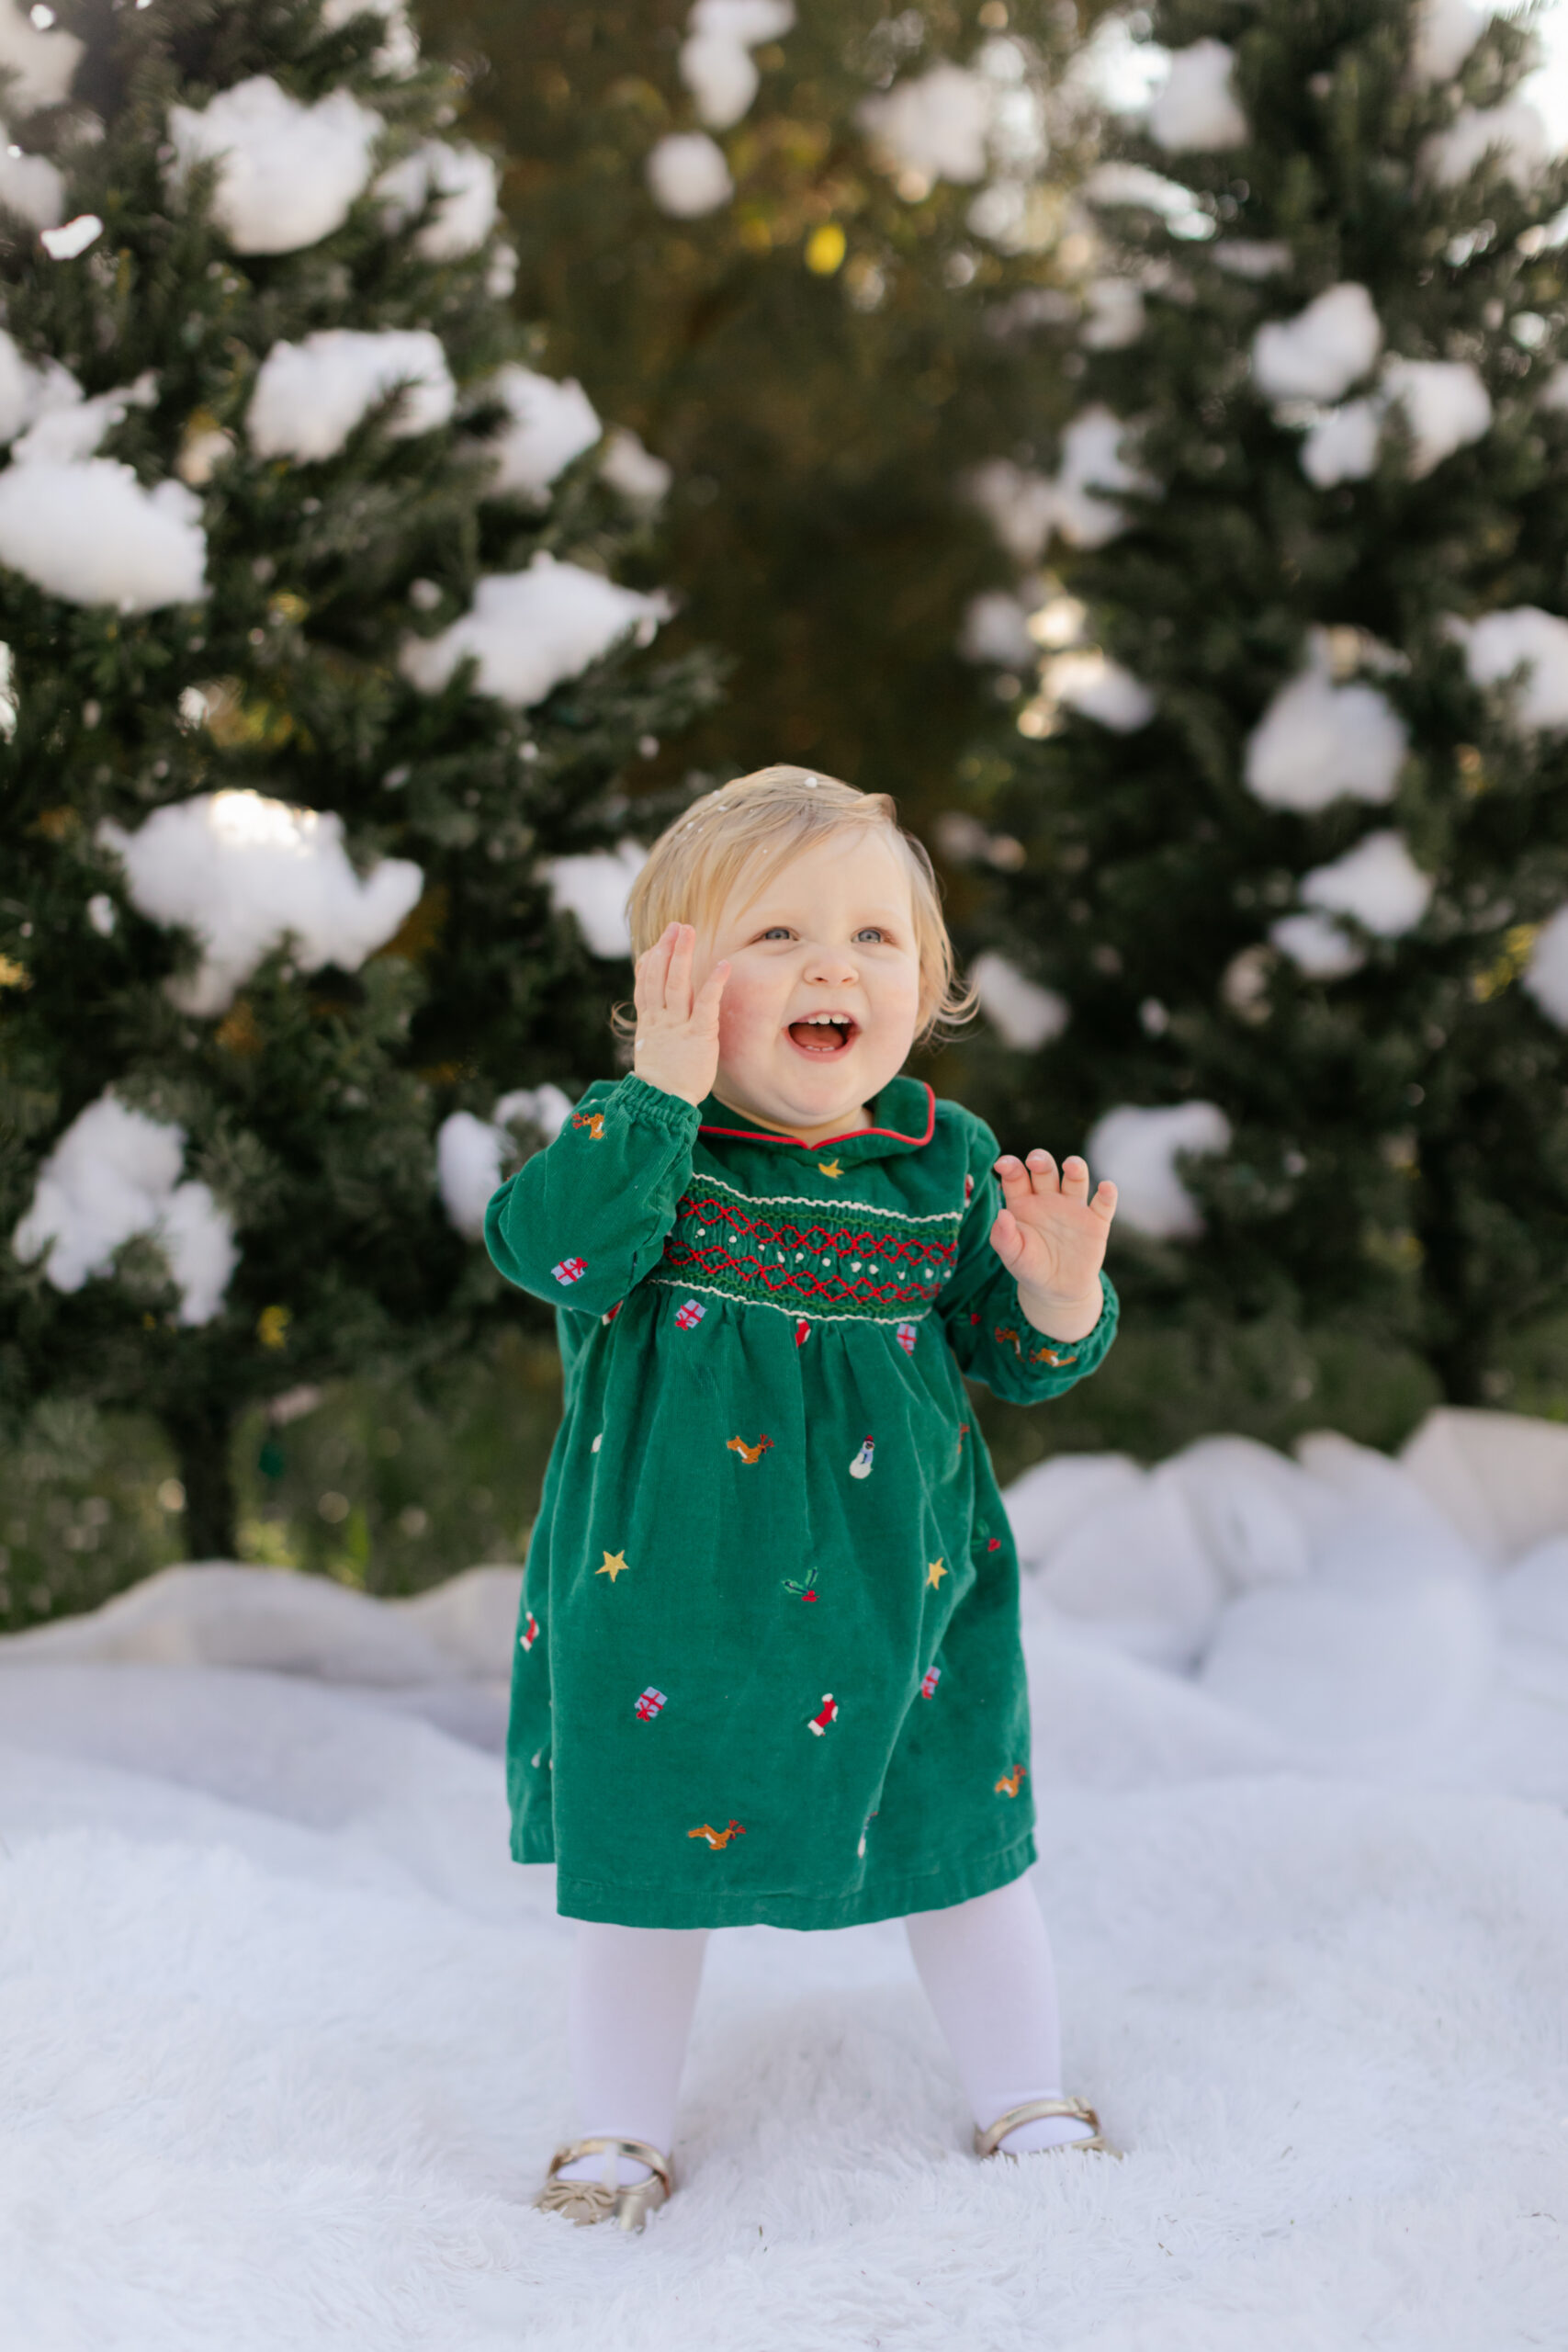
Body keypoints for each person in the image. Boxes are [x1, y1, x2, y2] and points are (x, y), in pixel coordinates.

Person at [485, 764, 1122, 2231]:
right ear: (674, 985)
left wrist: (1060, 1294)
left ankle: (1025, 2089)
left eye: (874, 940)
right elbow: (549, 1253)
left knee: (959, 1831)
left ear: (928, 986)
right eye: (773, 939)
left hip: (906, 1602)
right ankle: (619, 2134)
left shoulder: (942, 1168)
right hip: (666, 1601)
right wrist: (656, 1092)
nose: (831, 965)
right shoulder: (642, 1151)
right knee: (643, 1864)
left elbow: (1010, 1363)